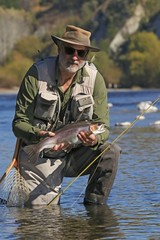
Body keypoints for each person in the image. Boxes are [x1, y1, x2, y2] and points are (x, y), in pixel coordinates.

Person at [12, 25, 121, 206]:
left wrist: (93, 139)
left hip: (75, 155)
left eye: (82, 53)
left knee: (111, 152)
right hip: (41, 155)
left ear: (86, 55)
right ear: (59, 49)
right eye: (70, 50)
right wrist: (38, 136)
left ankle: (94, 212)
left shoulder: (95, 79)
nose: (75, 57)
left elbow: (104, 127)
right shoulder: (36, 74)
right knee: (42, 217)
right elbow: (18, 124)